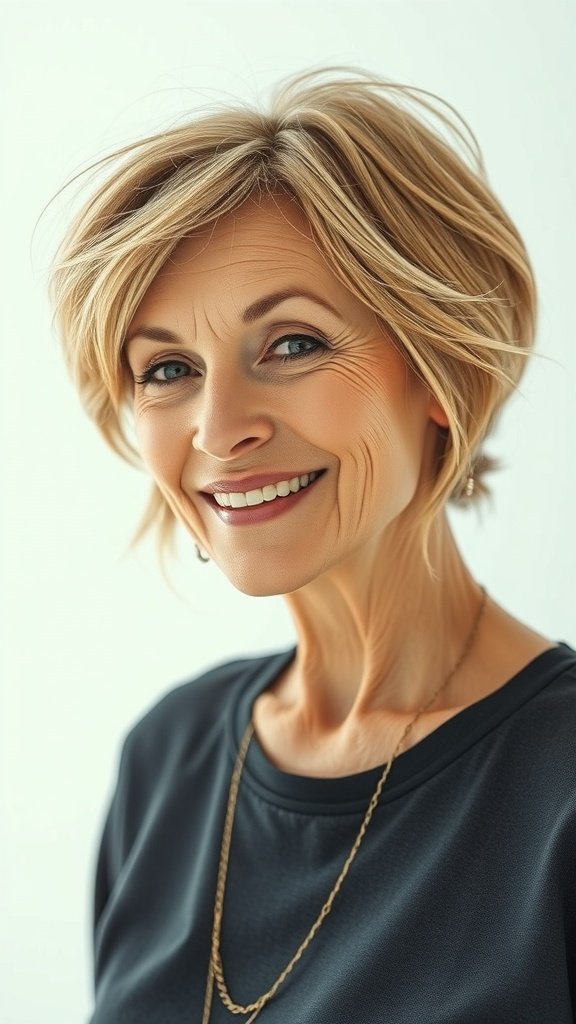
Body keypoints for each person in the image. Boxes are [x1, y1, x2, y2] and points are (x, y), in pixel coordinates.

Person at [49, 66, 576, 1023]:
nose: (217, 428)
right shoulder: (166, 760)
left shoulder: (560, 791)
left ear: (440, 364)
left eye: (291, 344)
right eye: (167, 368)